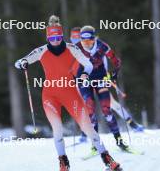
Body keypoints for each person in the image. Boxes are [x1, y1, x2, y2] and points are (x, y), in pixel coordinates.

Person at [15, 16, 122, 171]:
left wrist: (85, 74)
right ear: (48, 37)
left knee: (88, 128)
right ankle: (63, 162)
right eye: (52, 38)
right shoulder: (41, 51)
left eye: (58, 37)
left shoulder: (72, 48)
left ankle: (108, 159)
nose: (56, 41)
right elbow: (20, 61)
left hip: (70, 94)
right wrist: (22, 63)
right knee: (57, 129)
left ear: (62, 36)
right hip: (50, 96)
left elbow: (88, 64)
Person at [69, 27, 144, 136]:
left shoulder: (98, 47)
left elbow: (104, 62)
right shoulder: (74, 49)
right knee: (86, 106)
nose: (76, 40)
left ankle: (132, 123)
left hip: (98, 78)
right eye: (73, 37)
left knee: (111, 104)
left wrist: (108, 75)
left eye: (77, 37)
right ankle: (85, 134)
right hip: (82, 81)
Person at [71, 25, 130, 153]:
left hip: (101, 79)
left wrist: (115, 73)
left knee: (106, 110)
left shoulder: (102, 46)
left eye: (89, 41)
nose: (86, 44)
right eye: (83, 41)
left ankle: (119, 141)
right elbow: (69, 66)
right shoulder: (77, 48)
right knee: (90, 110)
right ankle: (95, 144)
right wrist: (74, 78)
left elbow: (117, 61)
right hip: (85, 80)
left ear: (94, 39)